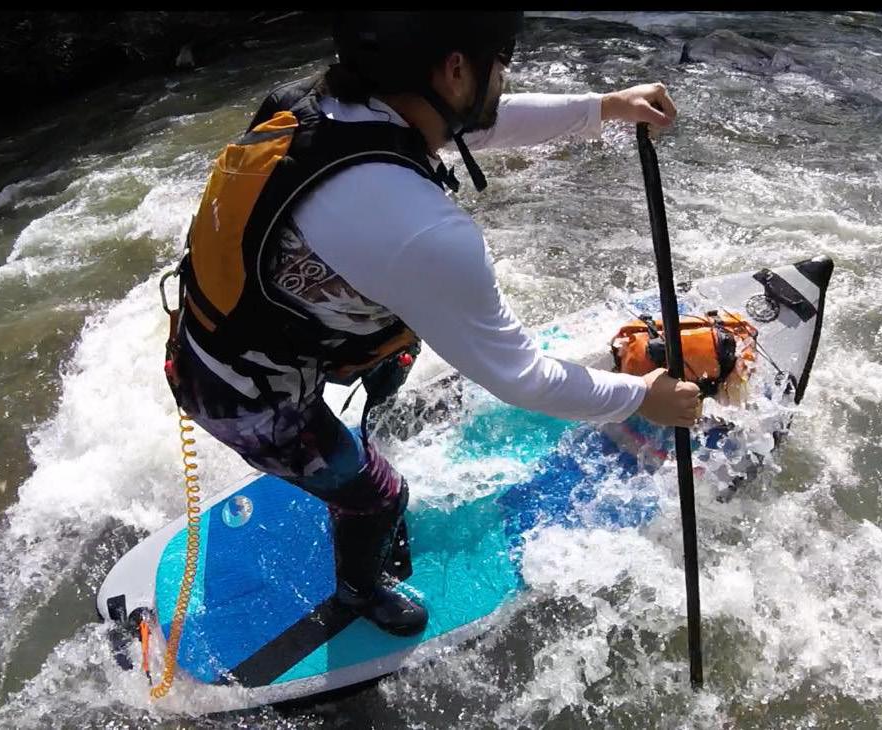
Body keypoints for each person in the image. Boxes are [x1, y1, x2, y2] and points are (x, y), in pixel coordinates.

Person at [164, 11, 701, 638]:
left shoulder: (332, 105)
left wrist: (605, 108)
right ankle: (358, 591)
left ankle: (367, 424)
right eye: (502, 60)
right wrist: (642, 396)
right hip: (240, 391)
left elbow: (482, 119)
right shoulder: (423, 235)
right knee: (381, 497)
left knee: (400, 350)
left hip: (239, 324)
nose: (506, 75)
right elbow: (520, 378)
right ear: (454, 70)